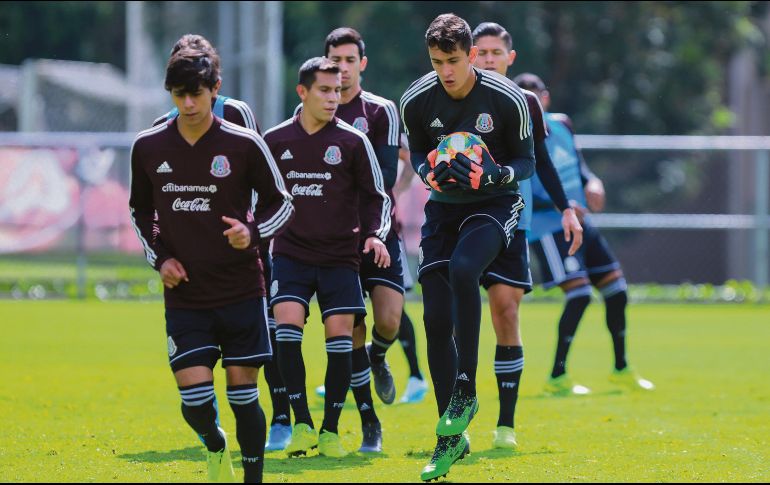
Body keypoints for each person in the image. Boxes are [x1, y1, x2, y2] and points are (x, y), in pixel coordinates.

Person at [129, 48, 294, 483]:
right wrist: (160, 259)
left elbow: (283, 204)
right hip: (186, 297)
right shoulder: (148, 146)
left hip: (241, 289)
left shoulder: (244, 144)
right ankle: (215, 444)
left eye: (196, 94)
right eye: (179, 95)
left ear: (215, 90)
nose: (188, 104)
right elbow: (139, 212)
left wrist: (252, 233)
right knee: (197, 400)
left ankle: (252, 479)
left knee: (244, 396)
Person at [400, 13, 535, 481]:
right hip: (444, 209)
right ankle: (449, 441)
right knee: (435, 320)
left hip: (496, 206)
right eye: (438, 62)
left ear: (472, 55)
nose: (447, 72)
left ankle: (466, 388)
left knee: (464, 270)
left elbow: (527, 163)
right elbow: (417, 150)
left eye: (455, 60)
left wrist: (493, 173)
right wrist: (426, 171)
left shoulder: (509, 99)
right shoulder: (416, 99)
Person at [264, 57, 391, 459]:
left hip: (340, 258)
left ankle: (331, 429)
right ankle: (301, 423)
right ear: (302, 92)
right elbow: (257, 199)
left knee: (341, 340)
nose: (333, 98)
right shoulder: (275, 140)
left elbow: (377, 196)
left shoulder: (353, 141)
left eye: (337, 90)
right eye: (324, 90)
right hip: (290, 254)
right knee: (285, 329)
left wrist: (375, 235)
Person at [470, 22, 583, 449]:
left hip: (513, 222)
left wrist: (567, 208)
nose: (487, 59)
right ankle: (454, 414)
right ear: (469, 55)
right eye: (480, 52)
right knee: (453, 322)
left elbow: (544, 163)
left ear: (509, 58)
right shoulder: (452, 95)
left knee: (505, 311)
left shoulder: (525, 103)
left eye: (495, 52)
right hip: (456, 222)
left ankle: (505, 424)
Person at [513, 72, 655, 395]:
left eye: (535, 95)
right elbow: (530, 187)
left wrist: (593, 180)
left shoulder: (562, 124)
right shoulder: (517, 136)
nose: (531, 101)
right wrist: (564, 205)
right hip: (549, 227)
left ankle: (621, 368)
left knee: (616, 291)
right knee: (579, 296)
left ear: (544, 98)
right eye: (523, 97)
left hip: (580, 221)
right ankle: (557, 376)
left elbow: (578, 164)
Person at [301, 27, 405, 453]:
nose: (341, 69)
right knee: (350, 332)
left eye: (349, 61)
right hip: (335, 244)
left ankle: (380, 357)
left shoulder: (381, 111)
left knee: (388, 323)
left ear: (361, 64)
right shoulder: (311, 110)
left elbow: (384, 180)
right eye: (334, 60)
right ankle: (369, 423)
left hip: (379, 233)